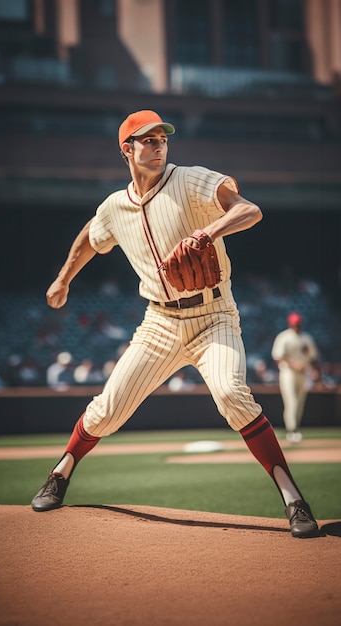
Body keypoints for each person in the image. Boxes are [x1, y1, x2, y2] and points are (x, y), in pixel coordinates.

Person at [31, 109, 319, 538]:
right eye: (146, 139)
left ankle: (294, 499)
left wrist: (210, 232)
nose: (157, 144)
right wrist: (61, 279)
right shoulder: (115, 206)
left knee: (231, 393)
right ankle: (60, 473)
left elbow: (249, 210)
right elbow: (92, 235)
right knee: (107, 410)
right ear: (127, 149)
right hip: (159, 324)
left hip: (214, 317)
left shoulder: (191, 179)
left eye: (162, 137)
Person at [272, 311, 321, 443]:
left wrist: (315, 371)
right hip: (288, 373)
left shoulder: (306, 338)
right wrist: (294, 365)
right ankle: (292, 430)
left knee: (299, 403)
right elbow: (278, 357)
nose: (297, 326)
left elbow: (313, 357)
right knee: (291, 402)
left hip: (304, 373)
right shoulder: (284, 337)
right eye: (295, 324)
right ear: (290, 324)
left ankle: (295, 429)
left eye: (298, 324)